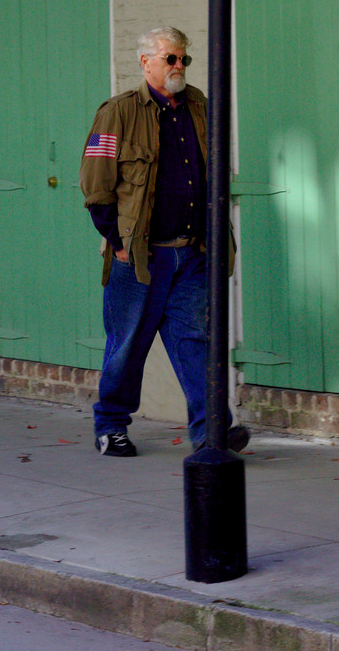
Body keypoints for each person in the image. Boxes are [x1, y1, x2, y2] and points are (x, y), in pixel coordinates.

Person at [79, 26, 248, 457]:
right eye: (170, 58)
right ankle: (111, 426)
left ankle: (211, 431)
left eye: (183, 59)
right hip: (139, 257)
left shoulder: (198, 105)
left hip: (191, 252)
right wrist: (116, 241)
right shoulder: (118, 112)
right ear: (145, 62)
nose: (179, 66)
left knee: (195, 342)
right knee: (127, 345)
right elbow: (96, 184)